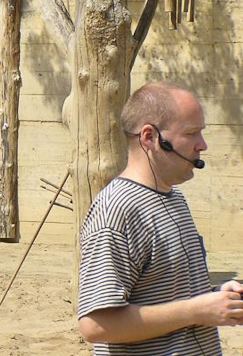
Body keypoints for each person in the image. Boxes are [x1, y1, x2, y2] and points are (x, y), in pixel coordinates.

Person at [77, 81, 243, 355]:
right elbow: (96, 325)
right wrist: (195, 310)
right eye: (191, 133)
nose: (202, 145)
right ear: (149, 137)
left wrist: (217, 298)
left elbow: (168, 298)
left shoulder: (174, 198)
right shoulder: (117, 210)